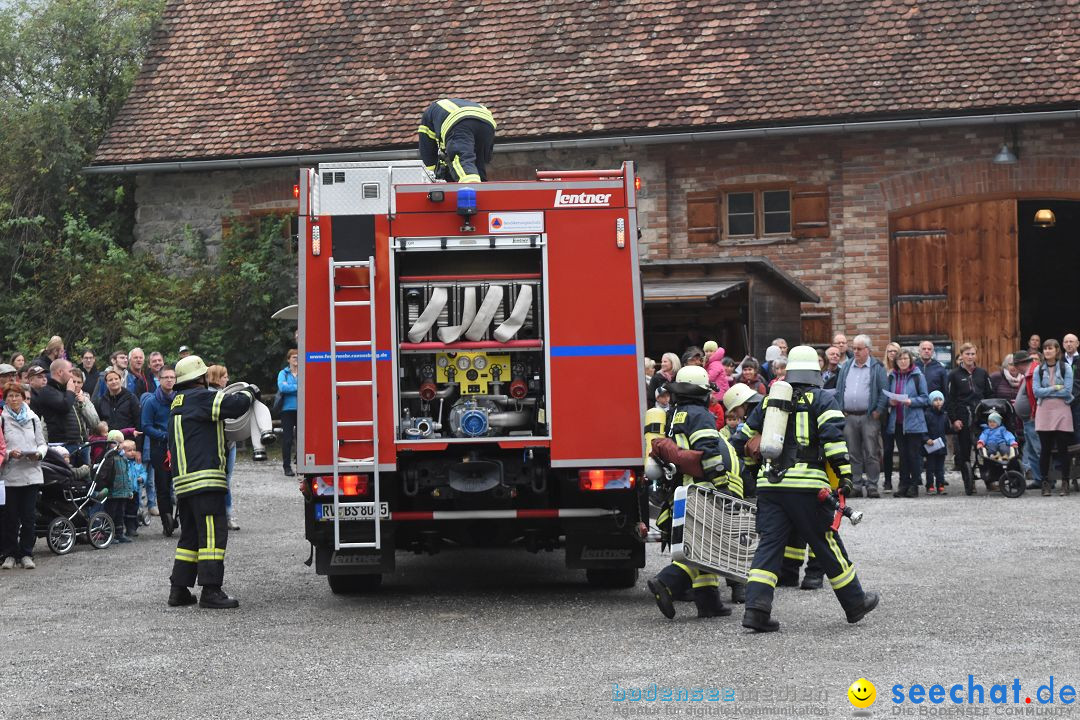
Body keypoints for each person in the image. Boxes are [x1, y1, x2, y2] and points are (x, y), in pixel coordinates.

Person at [731, 346, 878, 632]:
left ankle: (756, 611)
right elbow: (834, 442)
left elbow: (740, 440)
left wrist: (753, 470)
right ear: (815, 371)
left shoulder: (770, 401)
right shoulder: (824, 399)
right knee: (826, 543)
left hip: (770, 486)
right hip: (808, 487)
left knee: (770, 547)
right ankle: (855, 602)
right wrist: (845, 476)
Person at [645, 365, 744, 620]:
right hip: (706, 486)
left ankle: (709, 603)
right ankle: (667, 582)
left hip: (687, 486)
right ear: (700, 393)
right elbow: (708, 449)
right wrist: (722, 482)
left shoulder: (674, 414)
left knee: (703, 545)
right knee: (709, 545)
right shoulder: (700, 415)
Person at [167, 355, 258, 609]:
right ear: (201, 377)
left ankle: (179, 590)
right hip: (205, 481)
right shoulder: (202, 398)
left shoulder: (177, 402)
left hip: (184, 484)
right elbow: (235, 405)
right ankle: (211, 591)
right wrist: (251, 392)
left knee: (190, 537)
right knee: (212, 538)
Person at [0, 382, 48, 569]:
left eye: (17, 395)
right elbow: (2, 447)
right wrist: (11, 452)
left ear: (23, 397)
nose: (14, 399)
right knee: (10, 517)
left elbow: (42, 443)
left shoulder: (33, 418)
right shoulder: (2, 420)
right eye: (10, 396)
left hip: (31, 472)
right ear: (5, 399)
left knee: (29, 517)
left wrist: (39, 453)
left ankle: (27, 553)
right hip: (10, 474)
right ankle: (10, 554)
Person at [835, 335, 888, 498]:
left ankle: (872, 485)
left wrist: (878, 410)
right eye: (854, 348)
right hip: (849, 416)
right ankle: (856, 485)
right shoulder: (846, 367)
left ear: (868, 350)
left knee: (872, 452)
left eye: (859, 349)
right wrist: (841, 408)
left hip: (869, 416)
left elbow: (883, 392)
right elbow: (839, 390)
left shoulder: (877, 367)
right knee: (852, 453)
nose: (855, 351)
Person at [945, 343, 993, 493]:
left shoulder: (982, 373)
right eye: (967, 354)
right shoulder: (954, 375)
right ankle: (969, 482)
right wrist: (954, 420)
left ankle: (989, 480)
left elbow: (989, 395)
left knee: (985, 449)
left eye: (972, 354)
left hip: (981, 416)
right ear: (961, 356)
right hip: (963, 415)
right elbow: (950, 399)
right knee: (965, 451)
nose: (970, 357)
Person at [1032, 339, 1074, 497]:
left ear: (1057, 350)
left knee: (1063, 450)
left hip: (1062, 411)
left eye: (1050, 348)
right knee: (1045, 450)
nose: (1047, 351)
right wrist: (1055, 387)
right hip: (1044, 412)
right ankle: (1045, 482)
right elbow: (1036, 392)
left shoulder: (1066, 368)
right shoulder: (1038, 370)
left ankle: (1065, 482)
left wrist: (1047, 390)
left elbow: (1067, 391)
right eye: (1045, 348)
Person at [885, 349, 929, 498]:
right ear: (896, 362)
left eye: (905, 358)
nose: (903, 361)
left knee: (913, 455)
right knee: (902, 455)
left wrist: (911, 401)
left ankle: (914, 485)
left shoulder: (918, 376)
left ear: (910, 360)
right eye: (900, 359)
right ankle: (903, 484)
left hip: (914, 422)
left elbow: (925, 398)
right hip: (897, 422)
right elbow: (887, 396)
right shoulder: (892, 377)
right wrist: (890, 401)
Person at [418, 99, 496, 182]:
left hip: (459, 120)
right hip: (487, 121)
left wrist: (432, 172)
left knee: (463, 160)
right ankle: (482, 189)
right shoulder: (440, 110)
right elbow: (486, 157)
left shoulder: (428, 115)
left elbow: (427, 149)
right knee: (478, 164)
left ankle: (471, 190)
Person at [141, 365, 177, 532]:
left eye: (172, 377)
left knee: (181, 484)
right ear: (160, 380)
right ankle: (166, 521)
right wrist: (163, 435)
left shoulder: (180, 399)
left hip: (178, 447)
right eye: (166, 377)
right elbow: (146, 426)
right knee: (162, 485)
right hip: (160, 448)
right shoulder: (152, 401)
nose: (169, 380)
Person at [206, 365, 241, 530]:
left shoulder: (226, 395)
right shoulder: (210, 397)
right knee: (220, 481)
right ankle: (222, 517)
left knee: (226, 481)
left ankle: (226, 516)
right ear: (216, 377)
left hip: (230, 444)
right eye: (225, 376)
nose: (227, 379)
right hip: (217, 444)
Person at [1011, 351, 1043, 490]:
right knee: (1031, 450)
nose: (1016, 369)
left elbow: (1036, 396)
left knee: (1038, 449)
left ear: (1020, 364)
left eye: (1016, 365)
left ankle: (1046, 479)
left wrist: (1034, 413)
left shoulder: (1034, 373)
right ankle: (1039, 479)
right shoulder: (1028, 374)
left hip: (1033, 419)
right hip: (1028, 420)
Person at [30, 358, 77, 449]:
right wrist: (70, 391)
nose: (72, 375)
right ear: (60, 372)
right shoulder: (47, 391)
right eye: (70, 371)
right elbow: (65, 407)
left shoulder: (63, 390)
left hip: (76, 442)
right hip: (60, 443)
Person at [101, 433, 138, 543]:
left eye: (122, 442)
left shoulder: (123, 458)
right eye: (119, 442)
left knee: (120, 513)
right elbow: (105, 474)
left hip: (123, 491)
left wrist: (129, 490)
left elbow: (127, 475)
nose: (121, 445)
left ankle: (119, 533)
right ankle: (108, 534)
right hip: (113, 491)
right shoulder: (109, 457)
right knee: (111, 513)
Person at [67, 368, 100, 466]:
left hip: (83, 443)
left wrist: (83, 404)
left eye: (79, 382)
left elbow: (95, 423)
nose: (76, 385)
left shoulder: (85, 398)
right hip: (66, 444)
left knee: (86, 476)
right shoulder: (61, 397)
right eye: (73, 381)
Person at [880, 342, 901, 492]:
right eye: (890, 351)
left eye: (895, 351)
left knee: (902, 448)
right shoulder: (882, 370)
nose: (892, 354)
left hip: (900, 412)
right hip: (886, 414)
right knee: (887, 449)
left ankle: (903, 480)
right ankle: (887, 480)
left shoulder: (903, 370)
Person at [95, 369, 142, 433]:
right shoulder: (101, 401)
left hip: (128, 438)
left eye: (116, 379)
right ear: (106, 384)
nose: (114, 382)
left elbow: (138, 420)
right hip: (108, 439)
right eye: (110, 380)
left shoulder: (131, 398)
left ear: (121, 381)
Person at [278, 350, 299, 477]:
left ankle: (301, 464)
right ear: (288, 359)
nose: (296, 359)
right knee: (287, 439)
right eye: (294, 357)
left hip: (302, 410)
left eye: (298, 357)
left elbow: (308, 386)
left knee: (303, 439)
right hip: (287, 410)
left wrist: (290, 386)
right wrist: (298, 386)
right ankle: (287, 467)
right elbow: (282, 388)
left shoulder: (304, 371)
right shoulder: (283, 373)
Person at [924, 391, 950, 494]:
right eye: (935, 400)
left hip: (941, 445)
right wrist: (926, 439)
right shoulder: (927, 414)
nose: (938, 402)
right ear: (931, 402)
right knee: (930, 467)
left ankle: (940, 485)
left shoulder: (944, 414)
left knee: (940, 467)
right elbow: (923, 429)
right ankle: (930, 486)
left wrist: (956, 429)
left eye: (940, 399)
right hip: (930, 445)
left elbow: (947, 429)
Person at [1062, 333, 1080, 446]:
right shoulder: (1058, 361)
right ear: (1063, 345)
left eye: (1071, 341)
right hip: (1062, 401)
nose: (1069, 344)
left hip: (1078, 401)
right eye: (1066, 342)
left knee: (1078, 428)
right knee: (1063, 429)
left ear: (1077, 344)